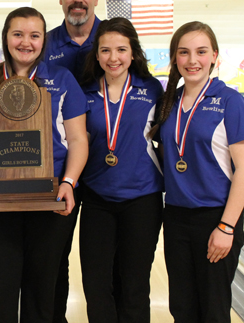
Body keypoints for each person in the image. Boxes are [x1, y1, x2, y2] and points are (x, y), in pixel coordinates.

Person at [0, 7, 89, 322]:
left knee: (42, 292)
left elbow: (77, 140)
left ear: (42, 40)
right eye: (18, 34)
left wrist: (68, 183)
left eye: (34, 35)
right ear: (6, 38)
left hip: (49, 199)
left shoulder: (62, 79)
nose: (26, 42)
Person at [153, 21, 244, 322]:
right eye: (184, 53)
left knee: (212, 309)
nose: (192, 60)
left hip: (215, 217)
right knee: (182, 308)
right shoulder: (169, 102)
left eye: (201, 51)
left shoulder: (230, 101)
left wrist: (226, 227)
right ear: (175, 59)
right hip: (174, 216)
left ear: (214, 56)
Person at [79, 18, 164, 322]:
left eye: (121, 50)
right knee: (96, 285)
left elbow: (167, 137)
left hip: (142, 199)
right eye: (105, 50)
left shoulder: (151, 89)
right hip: (97, 199)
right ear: (97, 54)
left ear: (133, 53)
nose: (113, 58)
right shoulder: (85, 92)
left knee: (134, 285)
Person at [43, 0, 101, 322]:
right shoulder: (44, 43)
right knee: (55, 256)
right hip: (59, 170)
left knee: (100, 261)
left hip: (107, 175)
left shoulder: (114, 38)